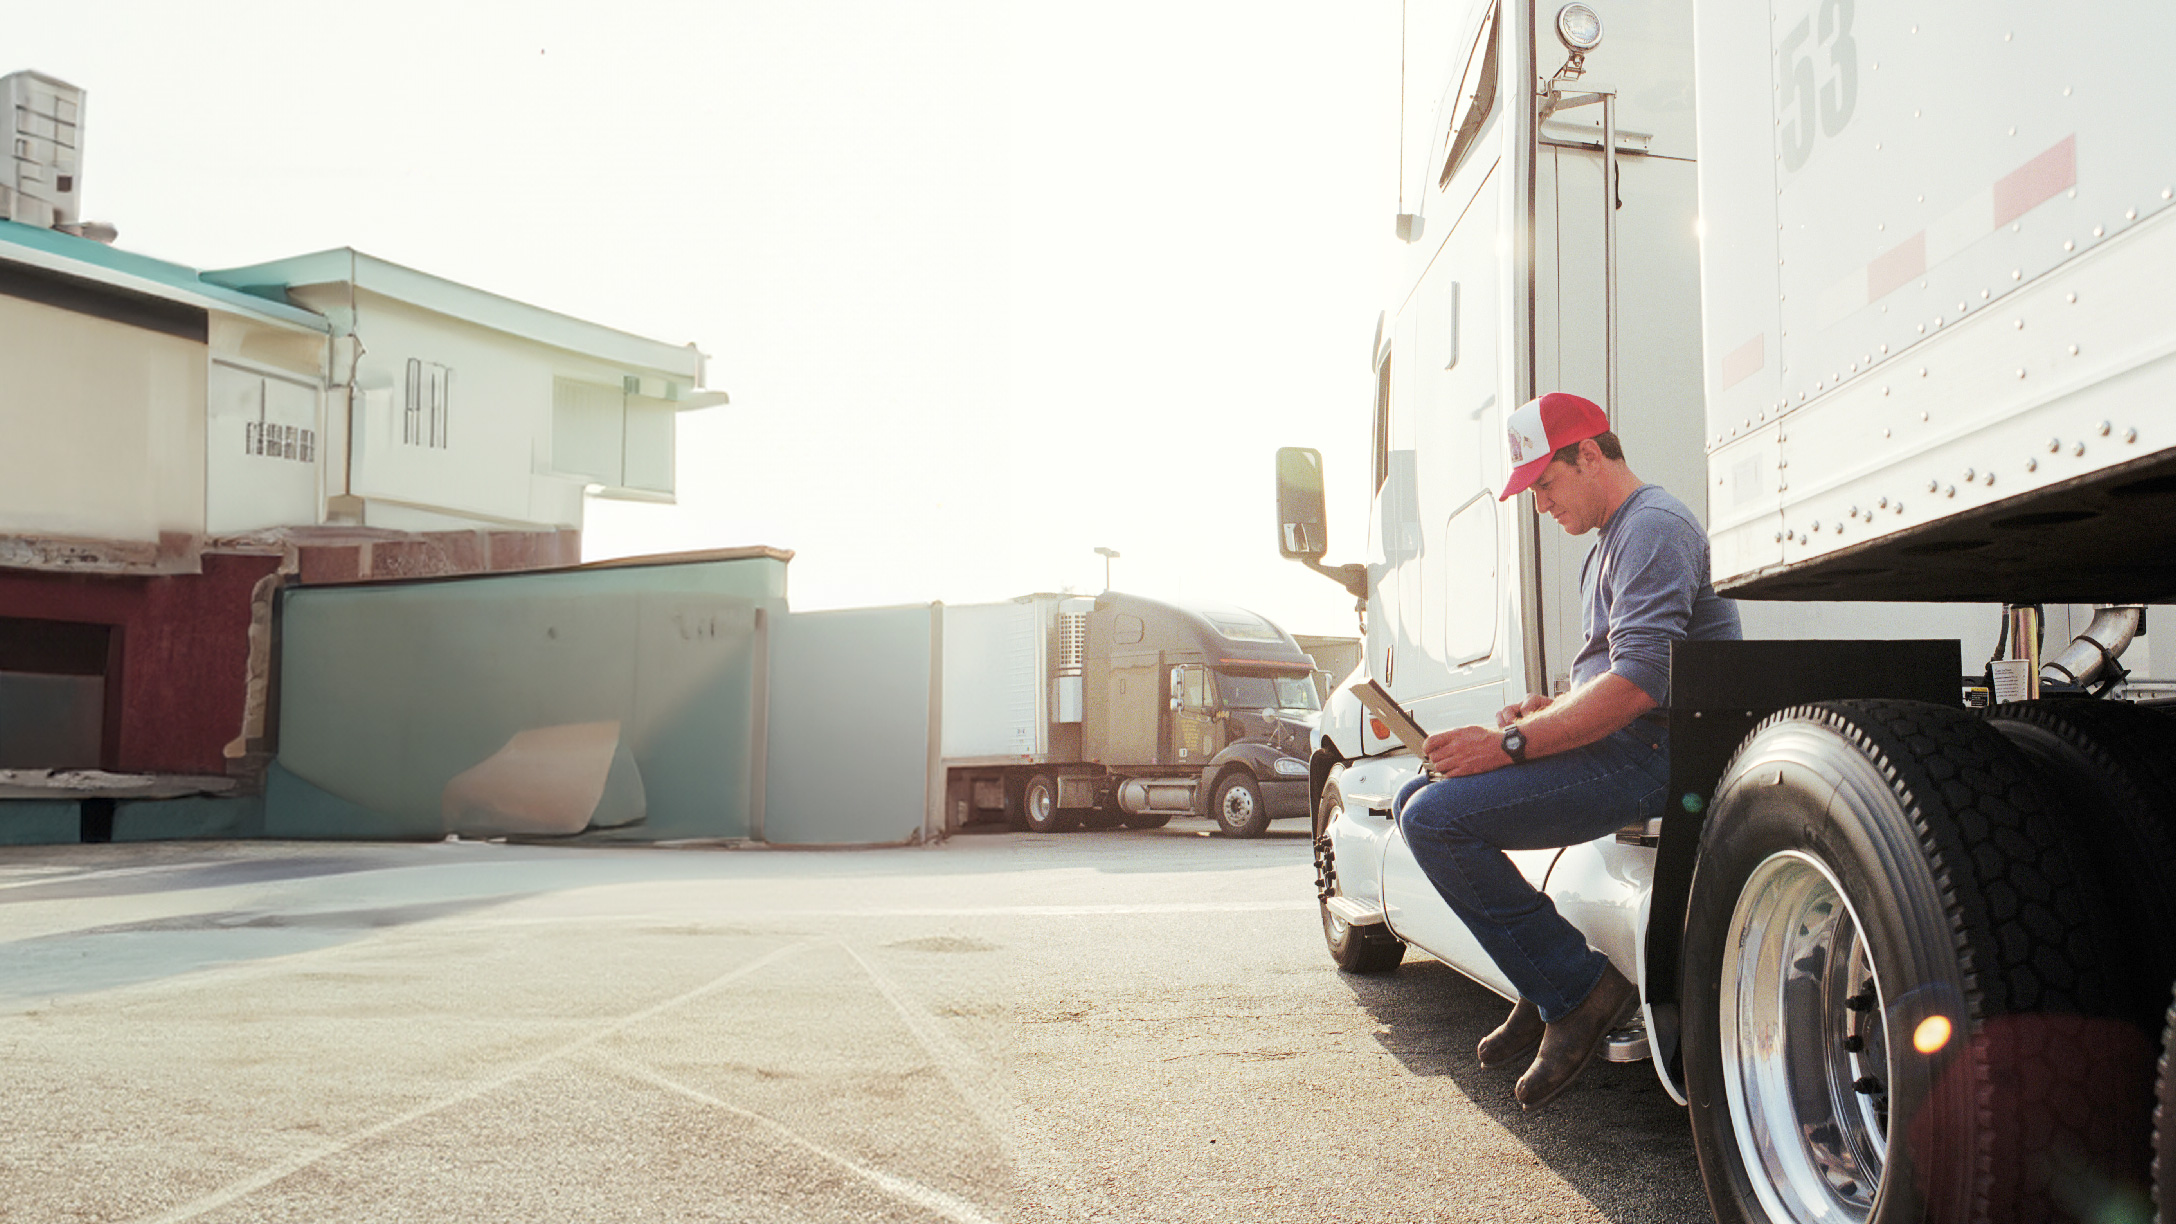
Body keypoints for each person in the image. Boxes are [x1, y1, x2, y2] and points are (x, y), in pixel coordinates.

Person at [1393, 391, 1741, 1109]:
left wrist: (1509, 743)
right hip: (1635, 738)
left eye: (1545, 484)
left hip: (1661, 755)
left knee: (1436, 820)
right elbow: (1609, 678)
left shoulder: (1653, 527)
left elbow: (1642, 682)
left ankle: (1579, 992)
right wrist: (1548, 710)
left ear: (1589, 454)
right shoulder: (1612, 541)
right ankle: (1546, 978)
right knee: (1411, 800)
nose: (1541, 505)